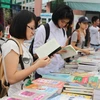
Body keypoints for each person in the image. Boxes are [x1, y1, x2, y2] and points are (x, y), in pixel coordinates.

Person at [1, 10, 51, 96]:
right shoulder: (11, 45)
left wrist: (39, 62)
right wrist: (37, 65)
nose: (33, 32)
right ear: (22, 25)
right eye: (31, 28)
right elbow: (11, 78)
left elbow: (24, 68)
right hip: (14, 95)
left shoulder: (22, 45)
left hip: (24, 93)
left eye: (34, 28)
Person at [33, 4, 74, 79]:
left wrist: (66, 51)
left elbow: (61, 50)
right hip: (44, 72)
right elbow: (36, 53)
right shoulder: (43, 29)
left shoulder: (63, 31)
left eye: (66, 23)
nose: (64, 24)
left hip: (58, 71)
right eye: (62, 21)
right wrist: (55, 51)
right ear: (56, 17)